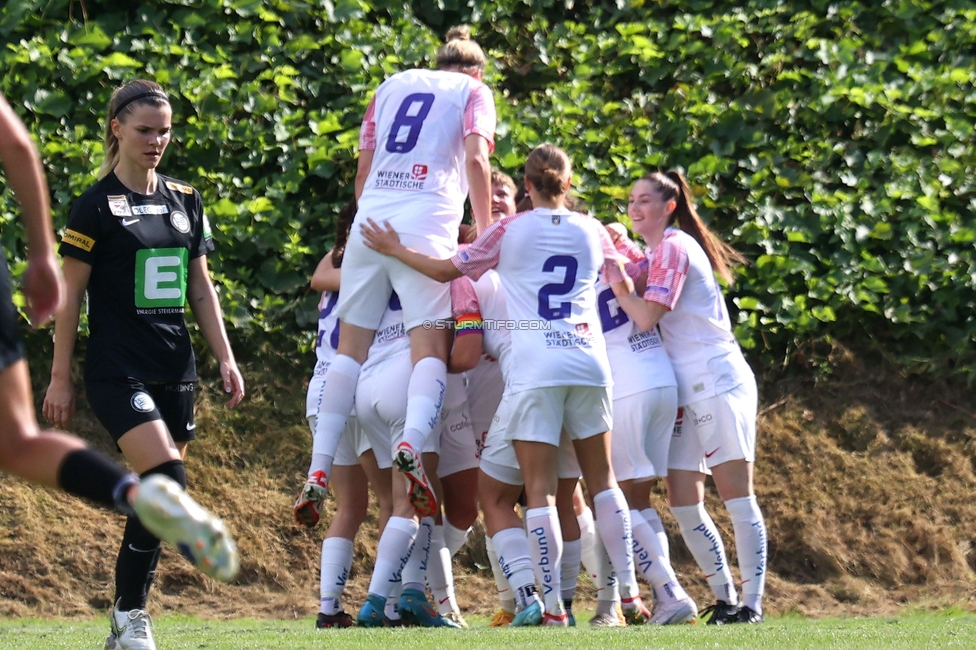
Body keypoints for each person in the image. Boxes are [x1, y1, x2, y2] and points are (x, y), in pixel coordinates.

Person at [361, 143, 652, 626]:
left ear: (527, 185)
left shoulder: (508, 229)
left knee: (533, 492)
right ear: (569, 180)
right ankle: (625, 597)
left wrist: (395, 249)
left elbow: (444, 269)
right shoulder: (592, 228)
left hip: (537, 365)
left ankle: (554, 608)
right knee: (602, 484)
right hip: (590, 362)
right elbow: (628, 269)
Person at [41, 80, 245, 650]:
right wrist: (61, 375)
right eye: (145, 130)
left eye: (165, 130)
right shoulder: (95, 204)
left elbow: (201, 290)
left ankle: (124, 616)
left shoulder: (186, 199)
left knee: (162, 496)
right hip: (116, 368)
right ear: (117, 130)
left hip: (175, 366)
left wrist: (224, 357)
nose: (157, 140)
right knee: (166, 480)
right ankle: (133, 618)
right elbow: (70, 295)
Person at [295, 24, 496, 525]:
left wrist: (373, 220)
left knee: (349, 352)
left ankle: (318, 470)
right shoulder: (474, 90)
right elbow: (475, 157)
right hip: (426, 221)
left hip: (372, 220)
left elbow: (362, 170)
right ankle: (409, 443)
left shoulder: (388, 86)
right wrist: (488, 228)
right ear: (475, 69)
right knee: (428, 347)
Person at [610, 170, 767, 624]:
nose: (635, 208)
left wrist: (619, 283)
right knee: (683, 500)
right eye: (630, 201)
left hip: (717, 379)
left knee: (738, 496)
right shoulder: (658, 251)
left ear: (669, 206)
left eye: (645, 200)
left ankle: (752, 605)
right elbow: (628, 264)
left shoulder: (675, 247)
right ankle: (726, 598)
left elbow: (644, 317)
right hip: (686, 387)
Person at [305, 203, 393, 628]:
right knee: (392, 501)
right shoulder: (379, 269)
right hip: (356, 386)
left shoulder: (336, 264)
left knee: (350, 508)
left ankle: (328, 608)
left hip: (320, 387)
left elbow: (318, 276)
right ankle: (387, 603)